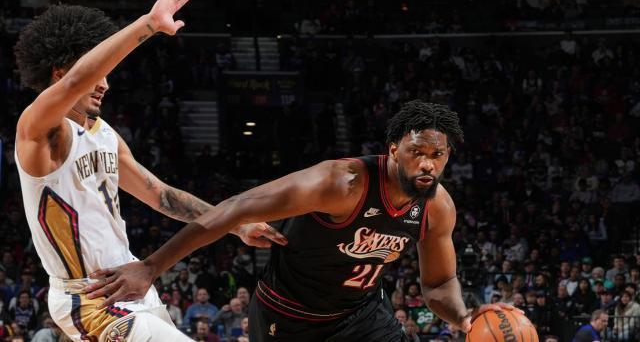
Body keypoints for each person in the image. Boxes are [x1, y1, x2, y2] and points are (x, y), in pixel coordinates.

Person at [85, 100, 517, 341]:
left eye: (437, 155)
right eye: (416, 152)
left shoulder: (438, 207)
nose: (426, 164)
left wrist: (464, 317)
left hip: (361, 315)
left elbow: (439, 284)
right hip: (289, 316)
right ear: (393, 150)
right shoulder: (340, 183)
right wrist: (151, 267)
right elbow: (235, 207)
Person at [13, 0, 283, 341]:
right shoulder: (39, 131)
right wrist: (149, 24)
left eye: (106, 76)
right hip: (89, 297)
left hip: (132, 283)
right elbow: (78, 79)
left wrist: (235, 226)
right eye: (97, 74)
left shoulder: (105, 135)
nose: (105, 84)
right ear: (59, 73)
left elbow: (162, 196)